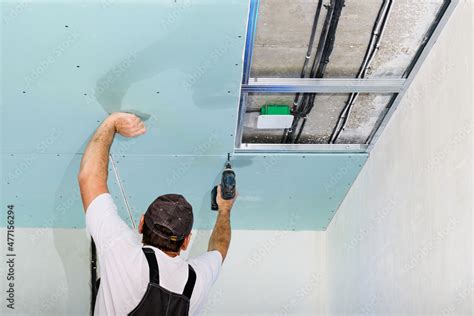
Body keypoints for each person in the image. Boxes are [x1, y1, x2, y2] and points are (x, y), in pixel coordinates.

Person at [78, 112, 237, 315]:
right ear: (186, 241)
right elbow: (220, 248)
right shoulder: (196, 281)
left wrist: (111, 123)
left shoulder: (122, 253)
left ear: (142, 223)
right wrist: (225, 208)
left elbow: (89, 177)